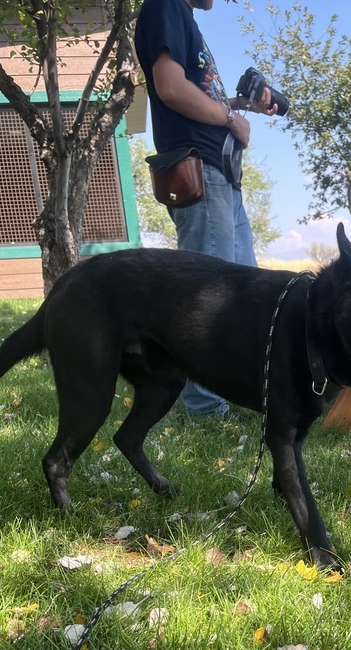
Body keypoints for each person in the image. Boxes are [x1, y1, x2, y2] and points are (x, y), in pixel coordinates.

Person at [135, 0, 279, 419]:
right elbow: (170, 87)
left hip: (221, 177)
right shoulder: (165, 6)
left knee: (247, 294)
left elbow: (193, 91)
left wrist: (237, 104)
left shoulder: (185, 18)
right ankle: (205, 408)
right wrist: (229, 119)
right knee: (208, 298)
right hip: (201, 171)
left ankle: (237, 395)